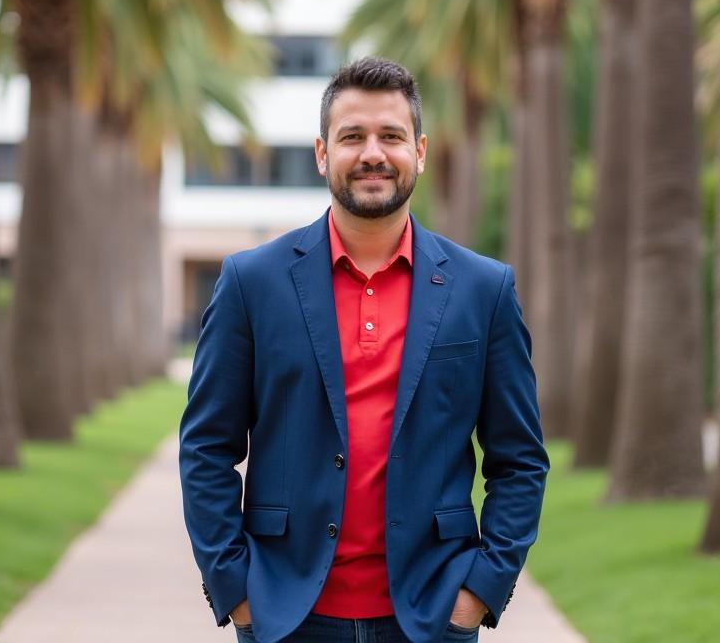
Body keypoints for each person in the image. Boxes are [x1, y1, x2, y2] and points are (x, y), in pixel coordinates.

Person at [179, 57, 548, 643]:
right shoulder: (253, 282)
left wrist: (480, 592)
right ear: (324, 153)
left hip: (432, 616)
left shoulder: (484, 289)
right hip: (284, 615)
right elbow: (205, 446)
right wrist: (236, 590)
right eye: (352, 136)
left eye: (391, 136)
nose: (372, 153)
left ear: (420, 151)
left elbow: (521, 459)